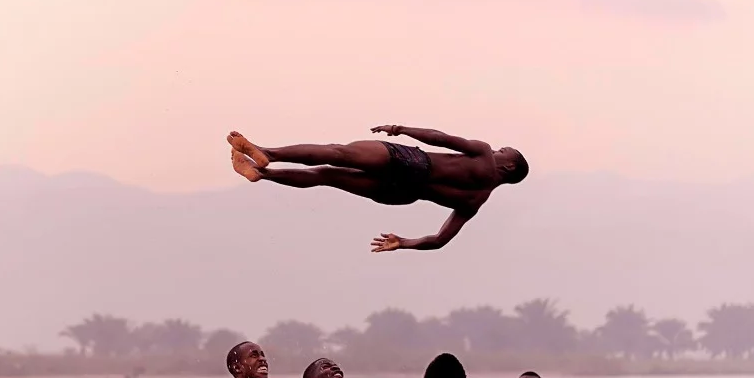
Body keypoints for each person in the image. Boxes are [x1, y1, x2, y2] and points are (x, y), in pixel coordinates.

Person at [225, 126, 528, 254]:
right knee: (326, 176)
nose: (498, 149)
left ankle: (268, 153)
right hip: (401, 194)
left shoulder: (484, 154)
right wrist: (404, 242)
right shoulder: (475, 201)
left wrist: (403, 129)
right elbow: (438, 241)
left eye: (505, 150)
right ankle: (262, 174)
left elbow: (440, 138)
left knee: (338, 154)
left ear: (509, 166)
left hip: (413, 162)